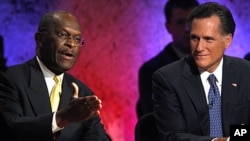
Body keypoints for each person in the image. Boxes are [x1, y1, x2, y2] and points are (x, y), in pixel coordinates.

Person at [0, 10, 111, 141]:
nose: (71, 44)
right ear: (40, 39)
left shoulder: (84, 94)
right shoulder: (9, 79)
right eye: (63, 35)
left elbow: (99, 137)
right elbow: (10, 129)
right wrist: (62, 118)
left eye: (77, 39)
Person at [152, 2, 250, 141]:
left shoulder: (246, 72)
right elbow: (173, 136)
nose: (199, 47)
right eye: (194, 38)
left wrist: (232, 138)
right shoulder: (168, 79)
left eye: (208, 39)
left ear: (227, 41)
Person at [136, 0, 199, 118]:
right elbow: (157, 124)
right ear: (168, 27)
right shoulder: (152, 71)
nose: (187, 29)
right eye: (180, 22)